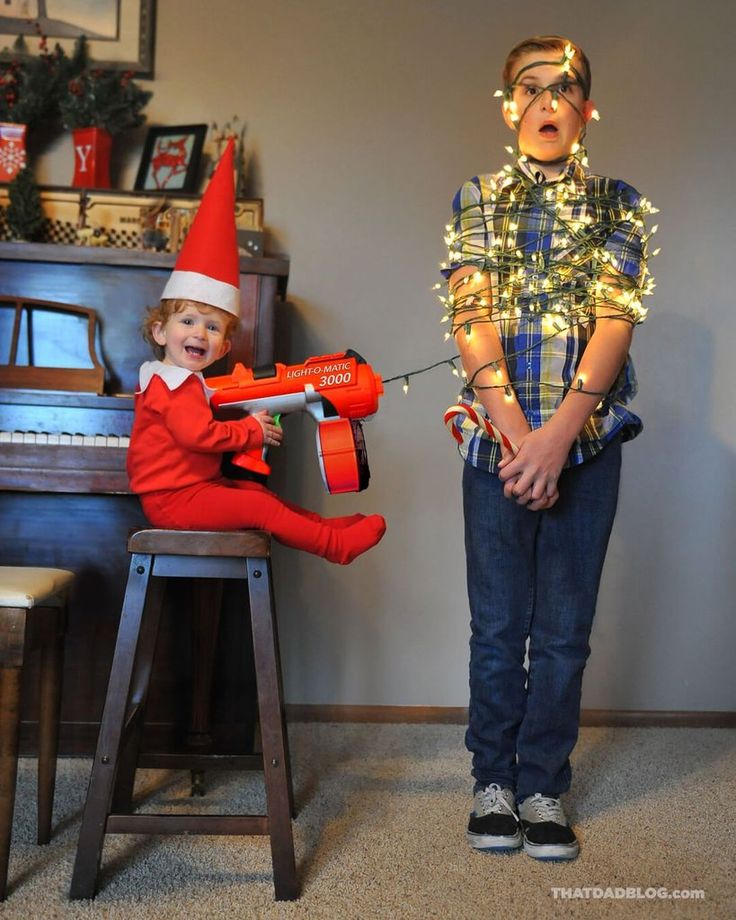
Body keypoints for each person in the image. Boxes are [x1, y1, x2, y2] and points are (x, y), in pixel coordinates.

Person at [442, 36, 655, 859]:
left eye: (563, 88)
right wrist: (518, 439)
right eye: (529, 88)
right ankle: (492, 780)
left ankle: (542, 788)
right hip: (495, 446)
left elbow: (615, 319)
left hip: (588, 446)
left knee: (564, 631)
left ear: (586, 108)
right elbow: (472, 319)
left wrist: (560, 438)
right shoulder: (478, 199)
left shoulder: (620, 204)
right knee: (498, 627)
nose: (546, 102)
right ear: (509, 106)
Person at [127, 140, 385, 565]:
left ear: (224, 347)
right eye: (187, 321)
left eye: (212, 327)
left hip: (190, 491)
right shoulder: (170, 384)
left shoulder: (184, 382)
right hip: (174, 500)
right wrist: (250, 431)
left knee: (254, 493)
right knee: (258, 508)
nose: (199, 333)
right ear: (160, 330)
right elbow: (197, 436)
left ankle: (322, 529)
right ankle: (332, 546)